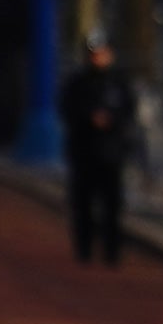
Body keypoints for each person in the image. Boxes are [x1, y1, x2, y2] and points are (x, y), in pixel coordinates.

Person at [57, 38, 138, 266]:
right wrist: (88, 118)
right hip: (84, 152)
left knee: (112, 205)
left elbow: (129, 111)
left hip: (112, 153)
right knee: (83, 204)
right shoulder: (78, 82)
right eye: (93, 54)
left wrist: (111, 121)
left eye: (101, 53)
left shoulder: (119, 83)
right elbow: (67, 109)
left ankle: (112, 251)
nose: (97, 58)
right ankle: (84, 249)